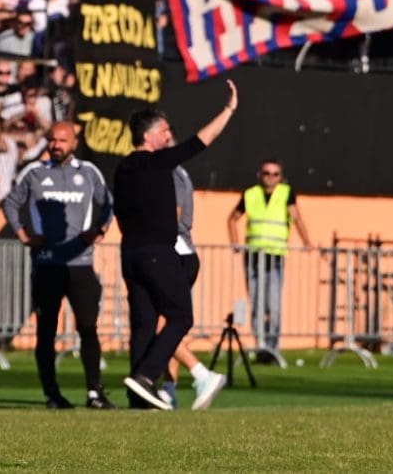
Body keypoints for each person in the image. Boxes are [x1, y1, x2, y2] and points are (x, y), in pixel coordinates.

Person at [114, 83, 237, 412]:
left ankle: (139, 397)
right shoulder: (158, 163)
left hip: (130, 254)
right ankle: (146, 377)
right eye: (165, 131)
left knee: (144, 323)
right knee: (181, 316)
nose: (169, 136)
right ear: (149, 136)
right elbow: (203, 139)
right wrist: (228, 110)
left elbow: (119, 212)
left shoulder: (123, 168)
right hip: (158, 253)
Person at [1, 121, 116, 410]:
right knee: (46, 331)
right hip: (46, 264)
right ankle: (52, 394)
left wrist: (100, 230)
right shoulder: (34, 172)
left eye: (63, 140)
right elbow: (10, 203)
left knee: (88, 327)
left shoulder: (88, 172)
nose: (56, 145)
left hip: (80, 264)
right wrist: (23, 234)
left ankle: (95, 393)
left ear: (74, 143)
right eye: (52, 140)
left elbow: (108, 204)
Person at [225, 159, 312, 356]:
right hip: (254, 256)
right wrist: (235, 243)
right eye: (267, 173)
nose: (270, 177)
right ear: (259, 175)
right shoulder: (250, 194)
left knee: (273, 305)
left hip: (275, 256)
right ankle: (260, 345)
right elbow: (232, 218)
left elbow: (296, 218)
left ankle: (272, 347)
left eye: (275, 174)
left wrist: (307, 241)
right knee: (256, 303)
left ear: (281, 177)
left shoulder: (285, 193)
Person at [158, 164, 227, 410]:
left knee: (162, 328)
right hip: (178, 255)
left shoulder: (171, 173)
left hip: (175, 254)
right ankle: (168, 389)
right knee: (168, 325)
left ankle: (201, 374)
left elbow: (172, 217)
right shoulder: (175, 172)